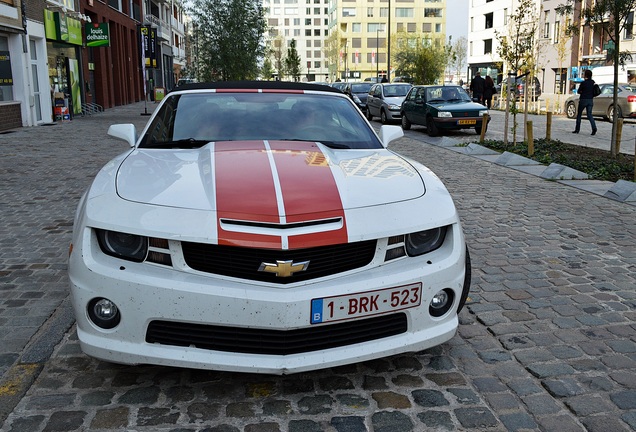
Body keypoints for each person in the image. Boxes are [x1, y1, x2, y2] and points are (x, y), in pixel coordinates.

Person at [573, 69, 597, 136]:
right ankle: (594, 128)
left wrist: (582, 92)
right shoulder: (593, 82)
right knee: (589, 115)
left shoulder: (583, 83)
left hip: (583, 99)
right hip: (590, 100)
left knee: (579, 114)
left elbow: (578, 91)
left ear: (586, 75)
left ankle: (577, 129)